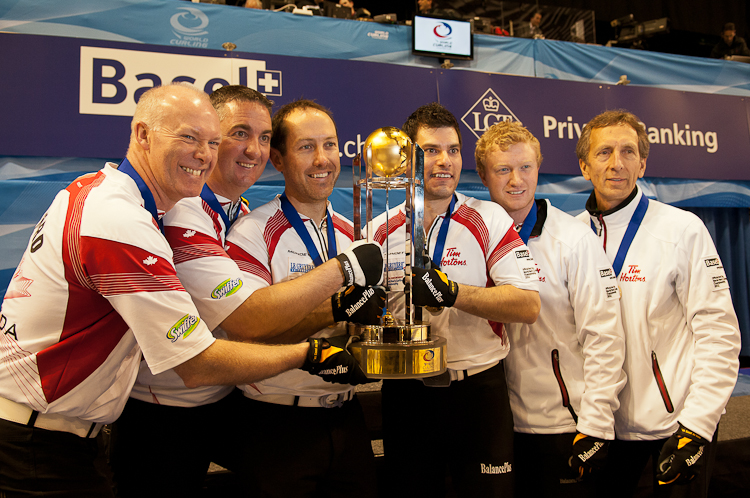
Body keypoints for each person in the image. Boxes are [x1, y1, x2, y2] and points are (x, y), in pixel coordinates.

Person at [0, 83, 379, 497]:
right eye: (194, 137)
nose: (209, 152)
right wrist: (338, 281)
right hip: (83, 428)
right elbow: (235, 329)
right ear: (142, 135)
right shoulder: (154, 216)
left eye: (213, 140)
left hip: (122, 421)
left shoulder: (151, 201)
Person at [108, 85, 385, 497]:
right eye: (238, 134)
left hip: (220, 403)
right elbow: (248, 321)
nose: (252, 149)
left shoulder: (233, 212)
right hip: (160, 413)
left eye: (262, 137)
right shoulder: (185, 211)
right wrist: (342, 280)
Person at [375, 103, 541, 497]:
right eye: (431, 150)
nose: (444, 161)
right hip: (406, 391)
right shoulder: (378, 226)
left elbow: (527, 305)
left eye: (453, 150)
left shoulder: (489, 218)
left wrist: (453, 293)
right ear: (407, 155)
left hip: (478, 392)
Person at [575, 109, 741, 497]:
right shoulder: (572, 235)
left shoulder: (682, 229)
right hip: (604, 426)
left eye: (628, 152)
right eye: (604, 153)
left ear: (643, 162)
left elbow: (718, 333)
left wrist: (699, 425)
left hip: (677, 424)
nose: (617, 164)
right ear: (584, 166)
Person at [225, 99, 382, 498]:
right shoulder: (251, 233)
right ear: (277, 159)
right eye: (306, 147)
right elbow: (248, 336)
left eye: (329, 145)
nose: (322, 159)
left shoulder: (354, 234)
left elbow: (366, 326)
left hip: (347, 416)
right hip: (276, 424)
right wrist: (333, 308)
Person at [475, 121, 626, 498]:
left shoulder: (573, 239)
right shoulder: (471, 237)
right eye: (503, 170)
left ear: (539, 167)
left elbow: (604, 334)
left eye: (525, 167)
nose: (516, 180)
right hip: (496, 425)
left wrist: (594, 424)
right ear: (482, 175)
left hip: (563, 426)